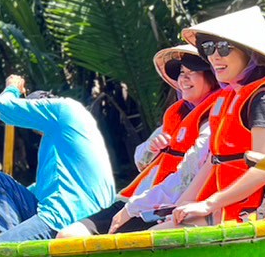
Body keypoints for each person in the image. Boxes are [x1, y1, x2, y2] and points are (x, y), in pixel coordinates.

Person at [162, 7, 265, 227]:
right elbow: (214, 160)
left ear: (250, 53)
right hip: (242, 206)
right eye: (208, 48)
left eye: (224, 48)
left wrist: (208, 204)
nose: (214, 56)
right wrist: (183, 203)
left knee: (166, 233)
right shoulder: (232, 97)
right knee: (165, 227)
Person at [65, 45, 221, 236]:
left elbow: (187, 176)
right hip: (141, 201)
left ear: (213, 78)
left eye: (193, 72)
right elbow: (141, 161)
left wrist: (132, 208)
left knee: (79, 237)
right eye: (181, 73)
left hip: (164, 208)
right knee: (69, 234)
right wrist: (152, 148)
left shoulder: (213, 122)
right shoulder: (178, 115)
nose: (183, 79)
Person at [0, 76, 116, 244]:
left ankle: (8, 248)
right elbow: (43, 190)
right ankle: (12, 240)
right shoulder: (72, 130)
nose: (37, 131)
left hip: (65, 216)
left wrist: (12, 87)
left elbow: (5, 108)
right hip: (93, 220)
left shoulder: (61, 109)